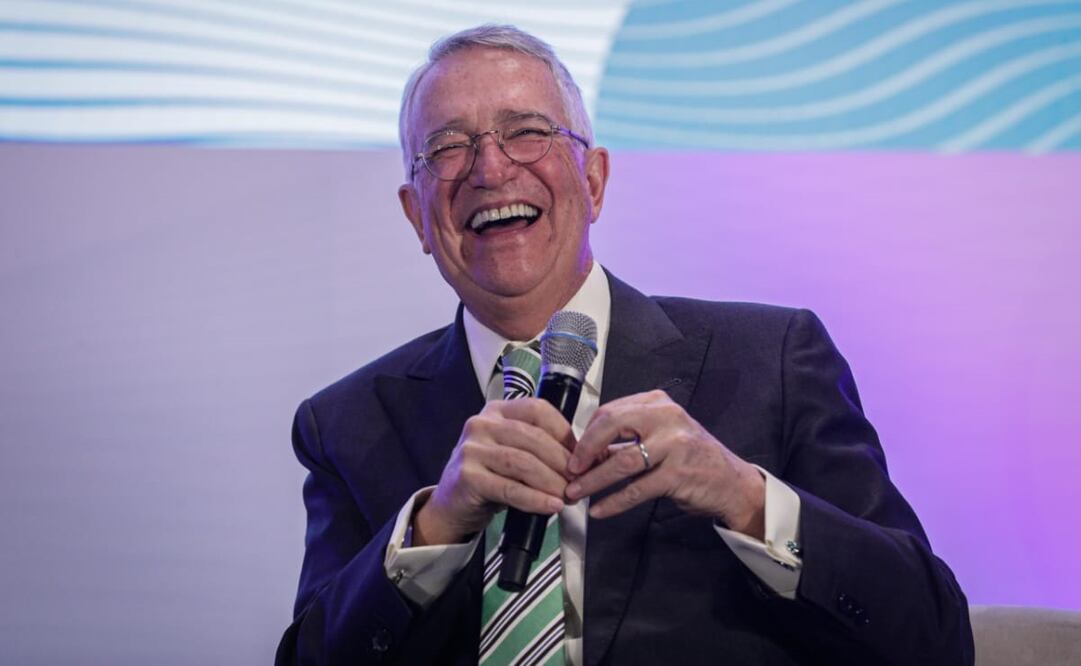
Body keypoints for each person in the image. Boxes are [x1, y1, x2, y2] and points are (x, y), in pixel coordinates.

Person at [276, 25, 973, 666]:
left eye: (526, 131)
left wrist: (744, 497)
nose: (488, 168)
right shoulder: (346, 423)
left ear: (594, 179)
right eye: (448, 147)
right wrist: (431, 529)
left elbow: (933, 636)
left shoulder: (773, 359)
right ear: (416, 214)